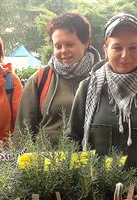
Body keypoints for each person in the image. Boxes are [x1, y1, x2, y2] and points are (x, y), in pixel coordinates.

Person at [69, 13, 137, 200]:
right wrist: (81, 183)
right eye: (117, 47)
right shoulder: (88, 88)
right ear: (105, 48)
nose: (125, 55)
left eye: (132, 47)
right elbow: (72, 139)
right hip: (95, 198)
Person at [15, 13, 100, 142]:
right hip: (46, 160)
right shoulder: (40, 79)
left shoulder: (102, 76)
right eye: (58, 46)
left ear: (86, 43)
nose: (63, 51)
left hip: (91, 160)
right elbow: (23, 131)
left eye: (70, 44)